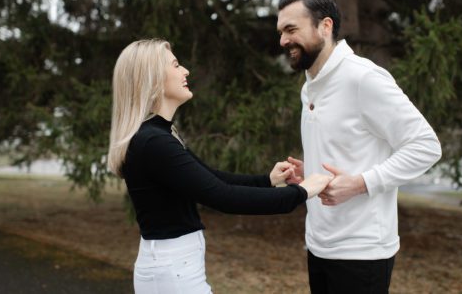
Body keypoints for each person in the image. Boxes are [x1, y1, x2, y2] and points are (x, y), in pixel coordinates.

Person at [107, 39, 331, 294]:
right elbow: (223, 197)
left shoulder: (159, 135)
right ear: (153, 78)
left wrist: (268, 180)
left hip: (173, 267)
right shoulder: (154, 142)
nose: (185, 71)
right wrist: (303, 192)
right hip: (173, 273)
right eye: (176, 65)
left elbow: (212, 179)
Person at [276, 0, 442, 293]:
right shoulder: (309, 85)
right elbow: (345, 147)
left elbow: (425, 145)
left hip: (362, 253)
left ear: (325, 26)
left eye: (291, 29)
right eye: (281, 32)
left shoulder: (364, 78)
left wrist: (361, 183)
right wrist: (309, 171)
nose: (283, 40)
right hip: (318, 245)